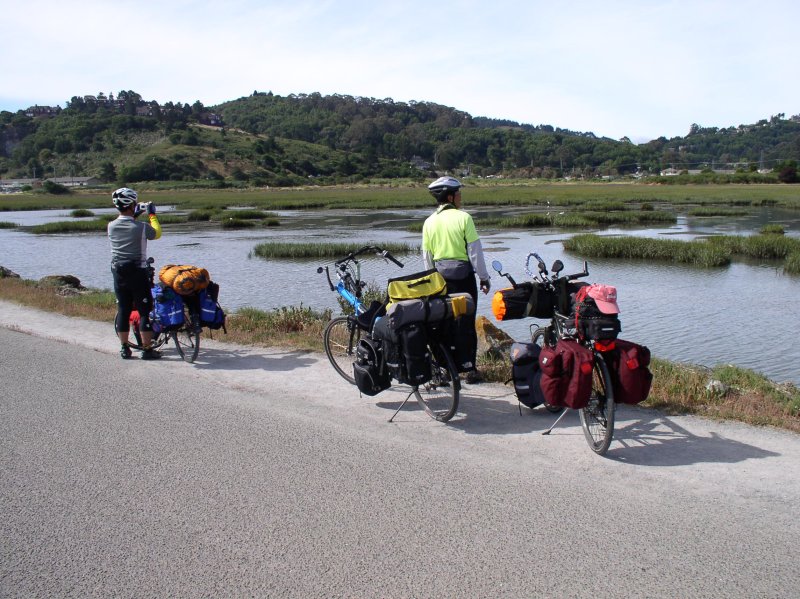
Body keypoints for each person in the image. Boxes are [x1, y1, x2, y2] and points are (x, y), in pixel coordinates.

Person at [421, 176, 491, 383]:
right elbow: (475, 252)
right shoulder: (464, 218)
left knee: (443, 323)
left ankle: (444, 369)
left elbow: (427, 257)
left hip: (441, 280)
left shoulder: (429, 222)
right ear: (449, 196)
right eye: (458, 193)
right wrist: (484, 278)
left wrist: (432, 282)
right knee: (466, 322)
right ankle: (469, 369)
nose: (461, 196)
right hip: (464, 280)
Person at [108, 187, 162, 360]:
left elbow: (127, 223)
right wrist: (152, 214)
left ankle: (125, 348)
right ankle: (147, 349)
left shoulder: (111, 226)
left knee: (123, 309)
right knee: (144, 310)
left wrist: (135, 214)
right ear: (132, 205)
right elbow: (157, 234)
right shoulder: (142, 227)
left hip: (118, 271)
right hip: (137, 271)